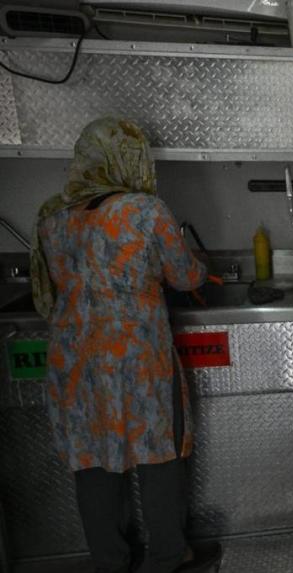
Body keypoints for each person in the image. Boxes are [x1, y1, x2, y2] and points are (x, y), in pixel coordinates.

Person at [31, 117, 220, 573]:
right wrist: (199, 265)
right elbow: (184, 276)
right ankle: (168, 556)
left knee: (92, 459)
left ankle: (110, 560)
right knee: (158, 452)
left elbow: (44, 296)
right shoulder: (145, 210)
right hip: (136, 355)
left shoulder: (51, 217)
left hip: (73, 358)